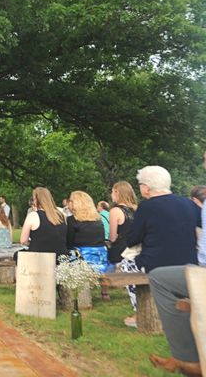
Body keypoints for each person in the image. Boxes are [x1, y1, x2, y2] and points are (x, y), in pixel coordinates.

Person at [120, 166, 200, 328]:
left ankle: (138, 313)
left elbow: (132, 240)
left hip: (156, 264)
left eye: (140, 184)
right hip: (189, 262)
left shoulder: (146, 207)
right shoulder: (188, 203)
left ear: (146, 187)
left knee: (125, 264)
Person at [148, 153, 206, 376]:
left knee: (159, 279)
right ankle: (186, 356)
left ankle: (187, 358)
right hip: (199, 268)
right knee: (161, 275)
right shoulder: (194, 204)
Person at [66, 191, 109, 273]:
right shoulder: (98, 219)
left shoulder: (72, 220)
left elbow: (69, 243)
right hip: (101, 256)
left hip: (82, 258)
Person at [19, 187, 67, 259]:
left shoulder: (33, 215)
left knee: (17, 256)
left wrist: (35, 243)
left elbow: (23, 240)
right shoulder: (61, 215)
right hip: (60, 255)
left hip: (39, 257)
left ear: (36, 200)